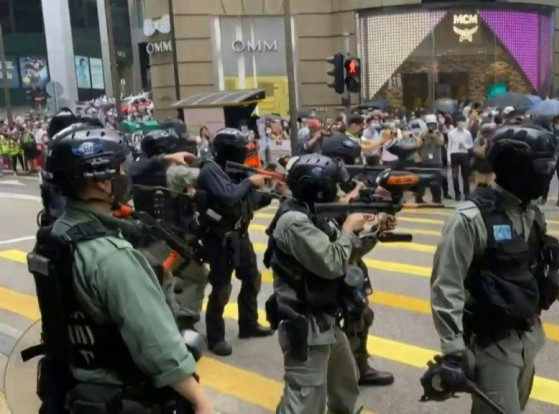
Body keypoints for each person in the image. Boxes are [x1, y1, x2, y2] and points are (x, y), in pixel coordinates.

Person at [30, 126, 213, 413]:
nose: (125, 175)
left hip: (75, 390)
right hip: (121, 396)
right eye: (120, 169)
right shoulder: (112, 257)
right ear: (102, 182)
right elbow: (157, 345)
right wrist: (199, 400)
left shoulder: (55, 236)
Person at [429, 124, 559, 414]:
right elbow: (446, 286)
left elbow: (551, 262)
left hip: (527, 336)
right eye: (541, 166)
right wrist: (453, 350)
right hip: (491, 343)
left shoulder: (531, 212)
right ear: (515, 167)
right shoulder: (469, 220)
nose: (547, 173)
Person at [265, 153, 393, 413]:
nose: (338, 191)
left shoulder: (314, 216)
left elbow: (348, 254)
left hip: (326, 321)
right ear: (320, 190)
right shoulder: (294, 221)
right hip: (305, 325)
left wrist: (374, 230)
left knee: (345, 388)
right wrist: (348, 228)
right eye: (333, 186)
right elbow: (333, 263)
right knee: (303, 404)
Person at [319, 135, 397, 387]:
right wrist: (353, 199)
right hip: (328, 265)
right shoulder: (318, 189)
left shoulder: (342, 188)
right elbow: (334, 231)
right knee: (329, 322)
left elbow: (355, 241)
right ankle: (342, 372)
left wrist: (377, 225)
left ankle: (358, 368)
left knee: (361, 315)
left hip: (348, 261)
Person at [196, 128, 273, 356]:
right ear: (229, 151)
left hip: (240, 235)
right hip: (219, 239)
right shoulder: (211, 170)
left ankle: (248, 324)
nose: (244, 154)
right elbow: (228, 195)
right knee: (222, 288)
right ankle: (216, 337)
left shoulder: (236, 172)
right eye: (241, 150)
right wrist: (250, 181)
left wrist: (272, 193)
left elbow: (247, 201)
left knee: (252, 279)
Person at [130, 128, 209, 331]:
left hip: (149, 240)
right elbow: (207, 179)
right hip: (168, 241)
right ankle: (184, 320)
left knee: (171, 279)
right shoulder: (173, 171)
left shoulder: (142, 170)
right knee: (197, 276)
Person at [415, 114, 445, 203]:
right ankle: (419, 199)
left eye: (433, 124)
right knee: (421, 183)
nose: (431, 126)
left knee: (436, 183)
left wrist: (434, 136)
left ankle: (437, 200)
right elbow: (417, 145)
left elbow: (441, 143)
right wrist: (424, 137)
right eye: (429, 124)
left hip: (436, 162)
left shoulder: (439, 133)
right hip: (424, 163)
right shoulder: (422, 134)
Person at [448, 116, 474, 201]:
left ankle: (466, 193)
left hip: (464, 154)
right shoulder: (451, 133)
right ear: (456, 122)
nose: (461, 123)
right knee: (455, 175)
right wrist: (449, 158)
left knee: (465, 175)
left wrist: (465, 145)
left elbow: (471, 145)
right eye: (460, 121)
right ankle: (457, 193)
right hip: (454, 154)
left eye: (463, 121)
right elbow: (449, 146)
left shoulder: (467, 133)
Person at [472, 122, 496, 190]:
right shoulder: (478, 140)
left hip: (491, 166)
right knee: (479, 185)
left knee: (490, 185)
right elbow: (478, 152)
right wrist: (484, 145)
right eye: (487, 132)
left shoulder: (493, 141)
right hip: (480, 166)